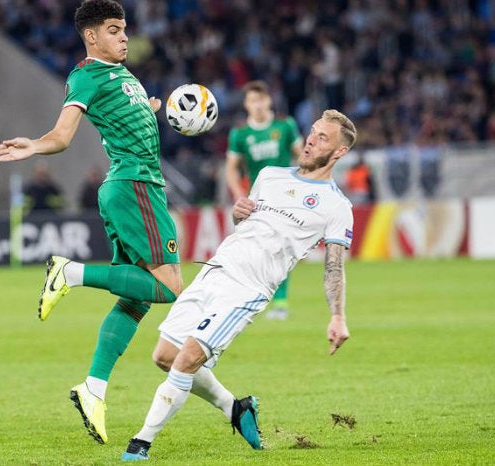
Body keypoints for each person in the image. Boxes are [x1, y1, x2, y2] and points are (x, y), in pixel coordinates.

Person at [0, 0, 182, 445]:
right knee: (169, 287)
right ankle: (69, 272)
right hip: (135, 186)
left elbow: (125, 120)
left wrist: (148, 109)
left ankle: (93, 388)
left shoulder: (124, 75)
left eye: (125, 30)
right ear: (92, 36)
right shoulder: (86, 75)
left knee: (135, 297)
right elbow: (62, 136)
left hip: (132, 188)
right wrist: (34, 147)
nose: (124, 37)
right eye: (114, 30)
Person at [122, 110, 356, 461]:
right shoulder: (270, 175)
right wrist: (238, 213)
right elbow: (245, 224)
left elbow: (334, 267)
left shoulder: (337, 206)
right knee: (165, 357)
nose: (311, 139)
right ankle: (237, 409)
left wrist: (337, 316)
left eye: (323, 138)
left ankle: (140, 443)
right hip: (216, 269)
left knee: (186, 360)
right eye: (312, 132)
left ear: (339, 152)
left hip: (248, 289)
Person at [225, 80, 304, 321]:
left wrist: (300, 186)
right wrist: (240, 195)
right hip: (255, 200)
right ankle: (249, 297)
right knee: (252, 251)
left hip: (284, 198)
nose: (257, 105)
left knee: (280, 250)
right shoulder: (240, 133)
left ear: (268, 100)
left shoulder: (285, 126)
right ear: (247, 105)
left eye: (261, 99)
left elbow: (301, 157)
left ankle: (280, 303)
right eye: (252, 101)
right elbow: (231, 169)